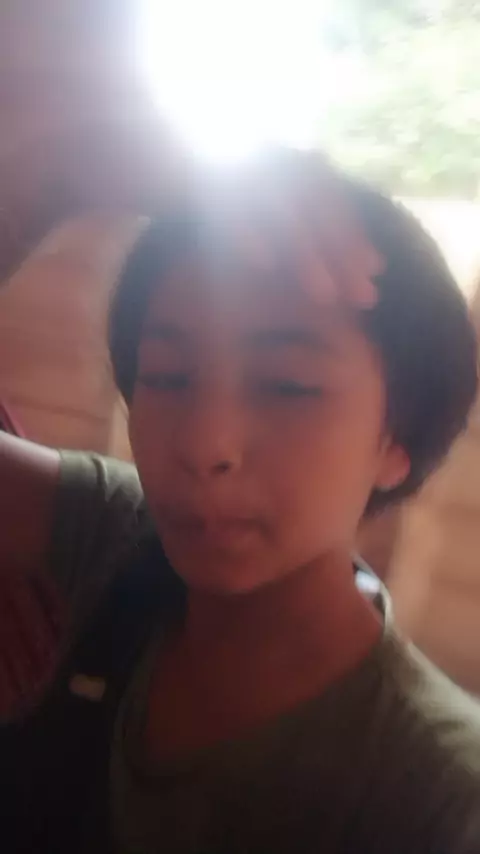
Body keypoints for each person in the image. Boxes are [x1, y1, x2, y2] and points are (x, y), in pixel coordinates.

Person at [1, 146, 480, 854]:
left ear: (396, 438)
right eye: (168, 376)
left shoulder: (437, 797)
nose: (205, 444)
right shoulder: (115, 540)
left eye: (287, 386)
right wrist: (80, 173)